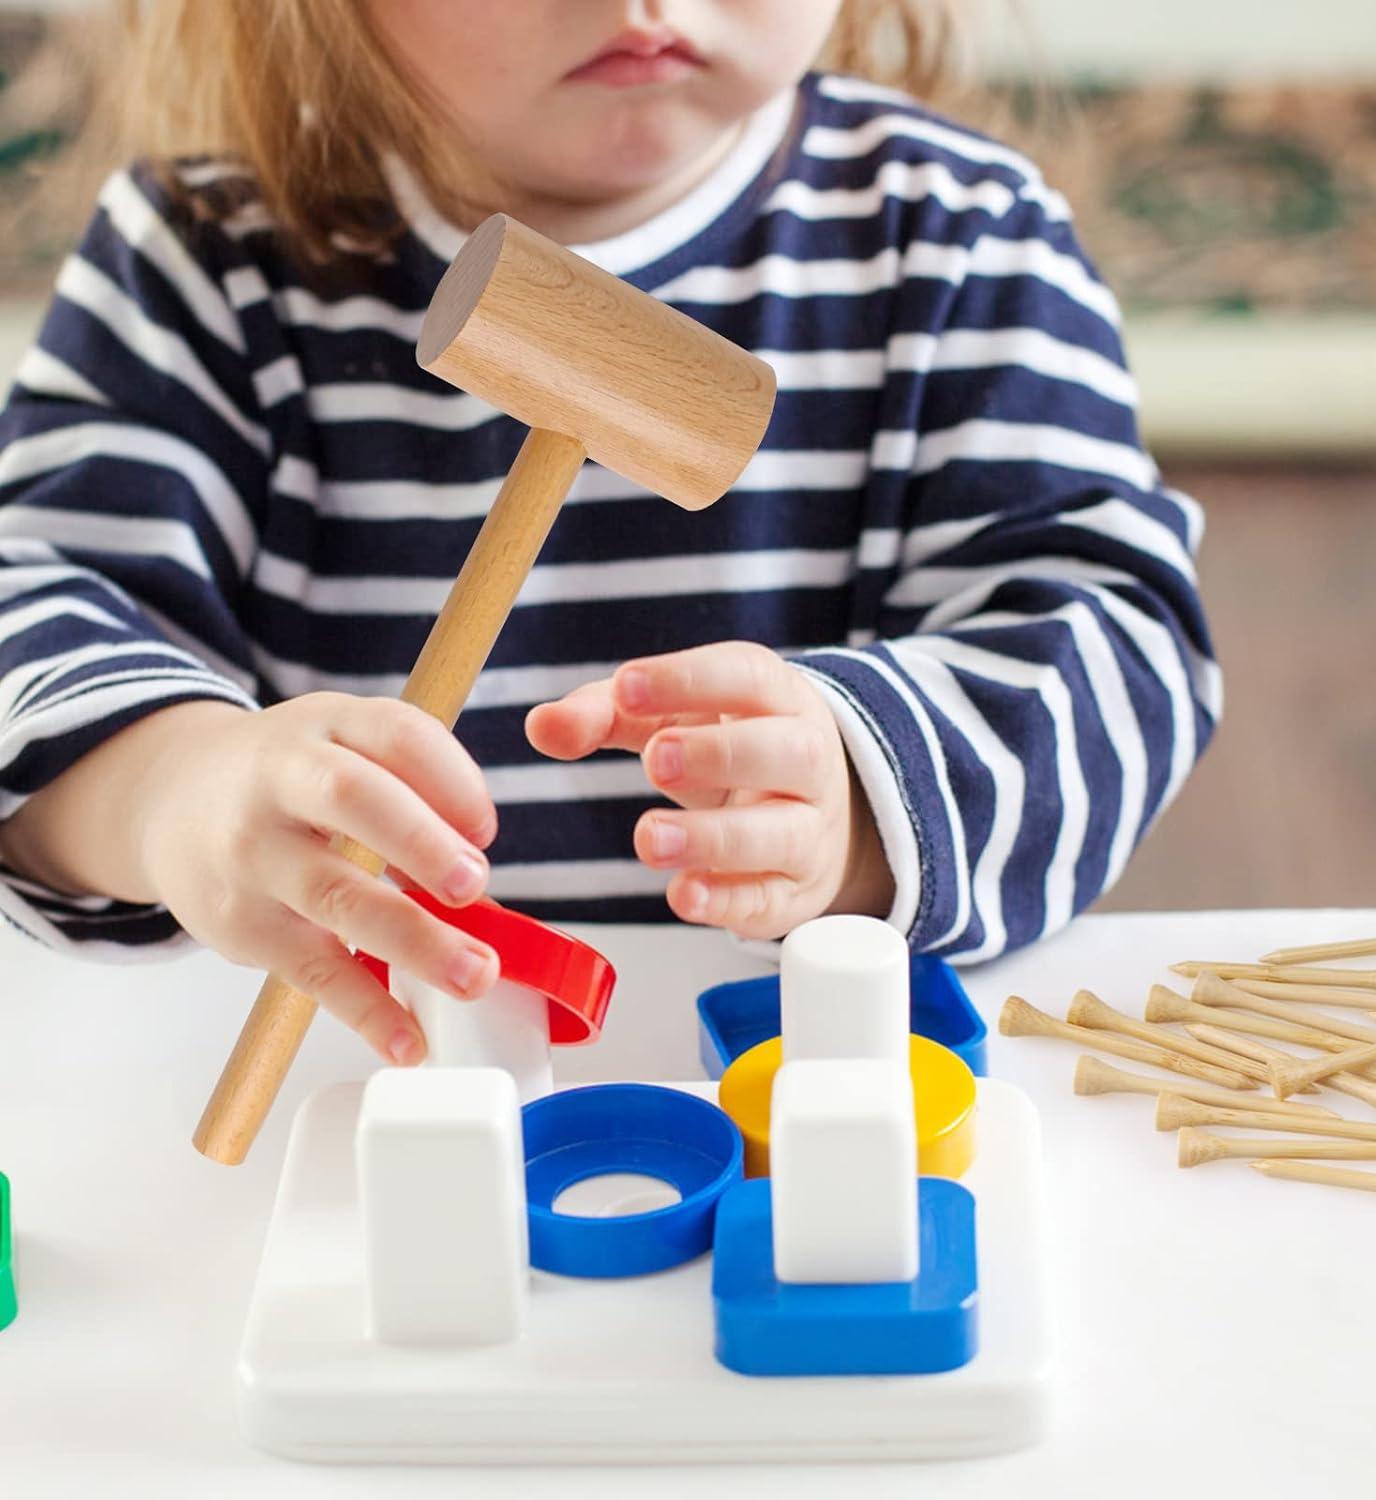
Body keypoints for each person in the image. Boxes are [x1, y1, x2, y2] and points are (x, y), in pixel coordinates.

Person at [0, 0, 1220, 1067]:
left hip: (805, 1091)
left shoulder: (961, 237)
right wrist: (169, 786)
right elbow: (37, 603)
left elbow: (1114, 646)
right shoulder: (207, 252)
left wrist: (865, 792)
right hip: (358, 1090)